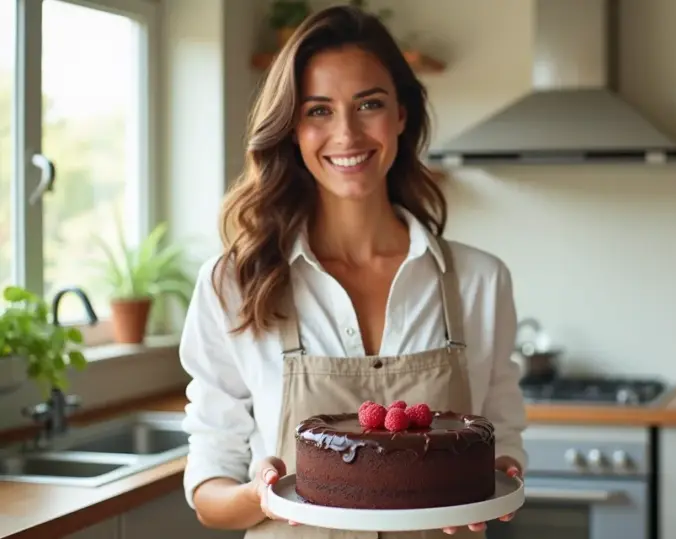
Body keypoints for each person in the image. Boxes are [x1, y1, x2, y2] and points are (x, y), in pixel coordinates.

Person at [177, 5, 527, 538]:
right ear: (292, 128)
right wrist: (259, 496)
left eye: (369, 104)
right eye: (318, 110)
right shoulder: (236, 284)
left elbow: (501, 444)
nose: (346, 133)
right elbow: (210, 489)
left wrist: (496, 484)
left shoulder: (481, 281)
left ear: (403, 114)